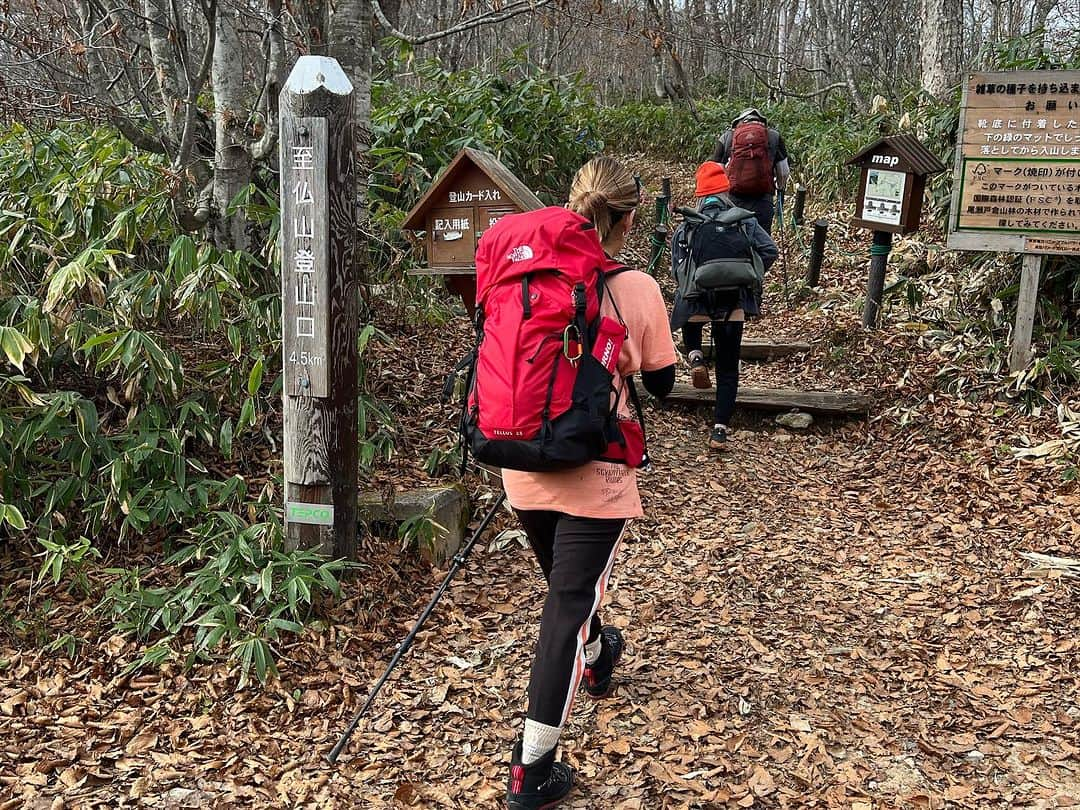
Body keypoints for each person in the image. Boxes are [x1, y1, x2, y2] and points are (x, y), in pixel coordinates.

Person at [501, 156, 677, 809]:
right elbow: (660, 381)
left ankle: (602, 654)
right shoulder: (636, 287)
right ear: (630, 219)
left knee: (566, 587)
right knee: (566, 605)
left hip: (519, 461)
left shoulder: (523, 274)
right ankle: (532, 770)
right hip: (593, 471)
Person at [670, 161, 777, 451]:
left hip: (699, 300)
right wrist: (747, 275)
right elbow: (770, 251)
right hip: (734, 303)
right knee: (728, 368)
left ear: (700, 194)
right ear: (726, 190)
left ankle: (694, 357)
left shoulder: (688, 223)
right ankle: (719, 431)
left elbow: (676, 267)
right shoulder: (745, 220)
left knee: (686, 309)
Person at [711, 108, 790, 234]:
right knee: (762, 239)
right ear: (762, 122)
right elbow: (783, 171)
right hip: (763, 199)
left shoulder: (727, 137)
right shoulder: (773, 136)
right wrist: (780, 189)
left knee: (733, 238)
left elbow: (716, 169)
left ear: (738, 122)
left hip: (733, 200)